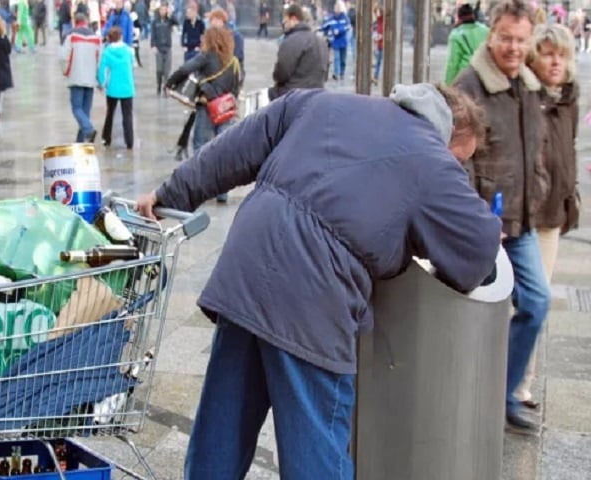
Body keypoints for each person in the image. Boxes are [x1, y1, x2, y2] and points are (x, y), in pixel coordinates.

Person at [135, 83, 500, 479]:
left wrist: (171, 192)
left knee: (222, 429)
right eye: (460, 161)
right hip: (313, 299)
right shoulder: (432, 159)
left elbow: (234, 148)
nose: (458, 171)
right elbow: (478, 252)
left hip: (247, 268)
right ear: (447, 132)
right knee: (317, 447)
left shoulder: (323, 101)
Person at [454, 0, 550, 432]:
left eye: (520, 40)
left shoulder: (529, 85)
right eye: (506, 38)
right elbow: (456, 160)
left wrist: (541, 188)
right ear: (491, 35)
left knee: (537, 302)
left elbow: (539, 149)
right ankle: (469, 395)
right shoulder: (470, 86)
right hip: (484, 224)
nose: (513, 47)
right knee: (473, 317)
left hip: (521, 220)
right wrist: (474, 217)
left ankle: (503, 393)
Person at [515, 23, 580, 410]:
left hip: (552, 213)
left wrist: (570, 193)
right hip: (523, 214)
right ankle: (506, 378)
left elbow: (567, 148)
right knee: (525, 301)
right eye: (548, 53)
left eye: (562, 54)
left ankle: (522, 380)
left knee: (537, 303)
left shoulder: (569, 97)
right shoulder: (524, 94)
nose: (556, 62)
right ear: (534, 56)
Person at [166, 26, 241, 203]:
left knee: (201, 147)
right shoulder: (234, 61)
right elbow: (236, 86)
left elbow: (185, 69)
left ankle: (201, 188)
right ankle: (222, 193)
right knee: (224, 150)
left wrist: (170, 83)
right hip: (226, 111)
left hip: (207, 108)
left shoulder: (207, 57)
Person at [269, 3, 328, 100]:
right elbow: (324, 74)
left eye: (285, 20)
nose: (284, 23)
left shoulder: (291, 41)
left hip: (293, 96)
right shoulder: (321, 42)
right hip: (317, 95)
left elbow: (282, 74)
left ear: (293, 19)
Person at [60, 12, 101, 142]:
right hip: (90, 78)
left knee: (77, 109)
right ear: (86, 21)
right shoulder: (96, 38)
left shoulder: (71, 37)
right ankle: (80, 143)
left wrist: (66, 72)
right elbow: (100, 59)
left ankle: (88, 130)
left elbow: (64, 57)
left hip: (76, 77)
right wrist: (99, 78)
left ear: (75, 22)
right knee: (85, 112)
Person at [97, 26, 135, 148]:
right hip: (127, 87)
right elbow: (132, 64)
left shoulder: (107, 52)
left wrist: (101, 83)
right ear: (121, 37)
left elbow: (102, 70)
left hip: (113, 88)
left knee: (110, 114)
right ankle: (129, 141)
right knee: (127, 116)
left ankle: (106, 138)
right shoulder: (128, 51)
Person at [444, 3, 489, 85]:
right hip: (484, 75)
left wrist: (447, 84)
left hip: (466, 78)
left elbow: (453, 63)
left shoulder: (456, 34)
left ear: (459, 18)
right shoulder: (485, 30)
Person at [150, 1, 176, 95]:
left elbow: (176, 22)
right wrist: (153, 45)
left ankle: (166, 88)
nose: (163, 11)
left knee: (167, 71)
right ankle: (159, 84)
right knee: (159, 70)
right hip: (159, 48)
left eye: (164, 10)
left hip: (167, 47)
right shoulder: (155, 22)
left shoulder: (169, 20)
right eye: (161, 10)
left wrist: (171, 14)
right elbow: (152, 34)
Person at [322, 1, 350, 81]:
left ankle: (342, 73)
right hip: (335, 41)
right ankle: (336, 74)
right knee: (336, 58)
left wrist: (339, 30)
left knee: (343, 59)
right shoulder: (331, 18)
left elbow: (347, 27)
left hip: (343, 41)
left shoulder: (345, 18)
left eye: (338, 8)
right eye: (335, 8)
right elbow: (325, 26)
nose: (337, 9)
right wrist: (320, 29)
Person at [373, 4, 383, 83]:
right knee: (378, 61)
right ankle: (376, 76)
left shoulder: (383, 21)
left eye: (378, 11)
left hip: (382, 44)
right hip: (379, 44)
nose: (377, 13)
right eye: (376, 12)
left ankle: (376, 76)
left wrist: (381, 36)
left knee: (379, 61)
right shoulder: (377, 21)